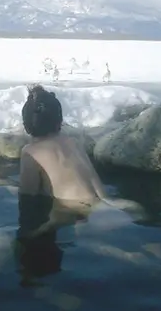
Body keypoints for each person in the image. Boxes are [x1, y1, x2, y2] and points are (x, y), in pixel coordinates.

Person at [19, 84, 107, 225]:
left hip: (77, 211)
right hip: (107, 205)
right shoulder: (74, 142)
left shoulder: (31, 152)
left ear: (26, 123)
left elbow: (28, 194)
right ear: (59, 120)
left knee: (30, 236)